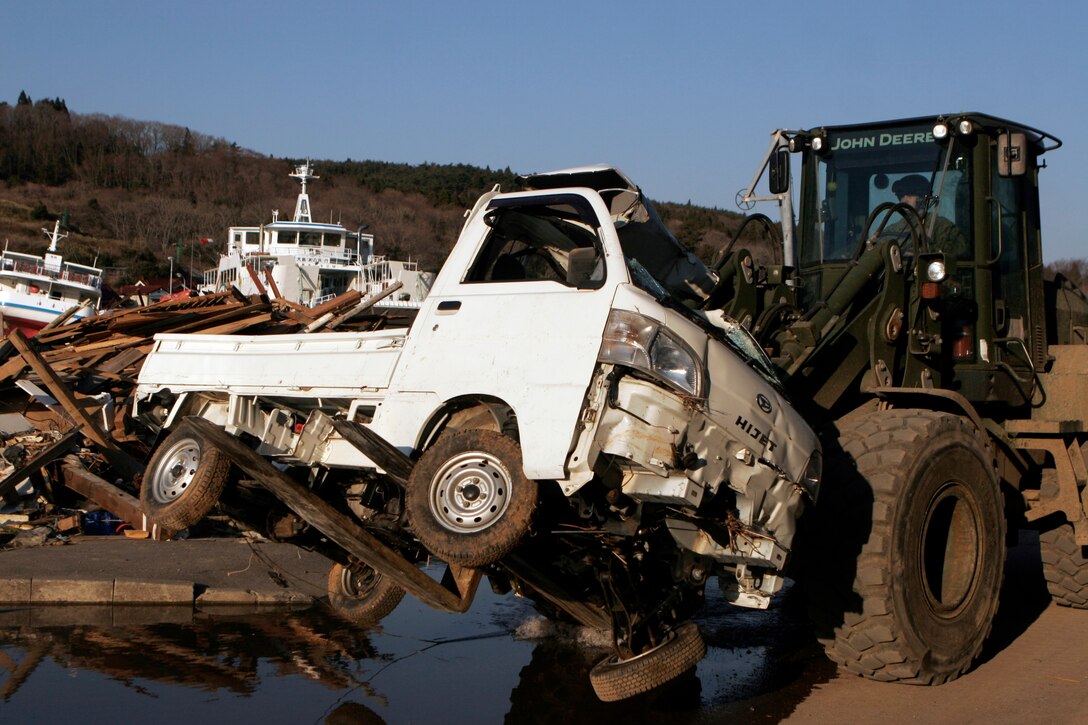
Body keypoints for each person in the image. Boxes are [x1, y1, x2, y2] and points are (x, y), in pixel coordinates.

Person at [884, 174, 968, 257]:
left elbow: (960, 254)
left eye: (909, 195)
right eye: (901, 195)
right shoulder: (892, 230)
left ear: (922, 198)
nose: (904, 199)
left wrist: (927, 248)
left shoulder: (943, 227)